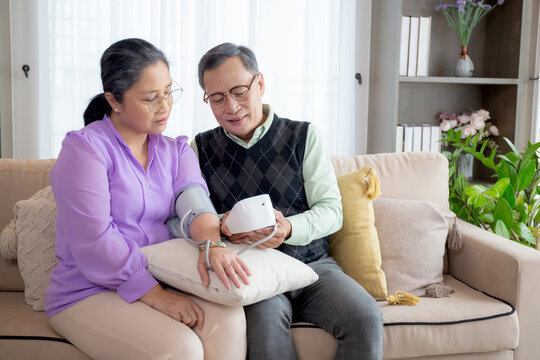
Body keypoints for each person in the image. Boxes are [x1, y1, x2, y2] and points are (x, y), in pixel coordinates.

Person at [44, 38, 250, 360]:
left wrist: (214, 245)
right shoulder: (85, 150)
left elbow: (193, 202)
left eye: (168, 92)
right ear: (114, 100)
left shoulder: (176, 150)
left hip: (162, 276)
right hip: (87, 291)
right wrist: (158, 297)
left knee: (230, 319)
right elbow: (97, 240)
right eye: (151, 99)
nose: (165, 106)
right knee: (180, 349)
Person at [193, 43, 384, 360]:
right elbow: (190, 215)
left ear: (261, 84)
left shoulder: (303, 136)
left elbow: (331, 211)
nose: (231, 106)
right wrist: (222, 226)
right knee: (267, 337)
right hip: (253, 273)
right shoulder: (198, 149)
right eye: (217, 98)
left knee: (364, 317)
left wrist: (289, 228)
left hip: (313, 266)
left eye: (239, 91)